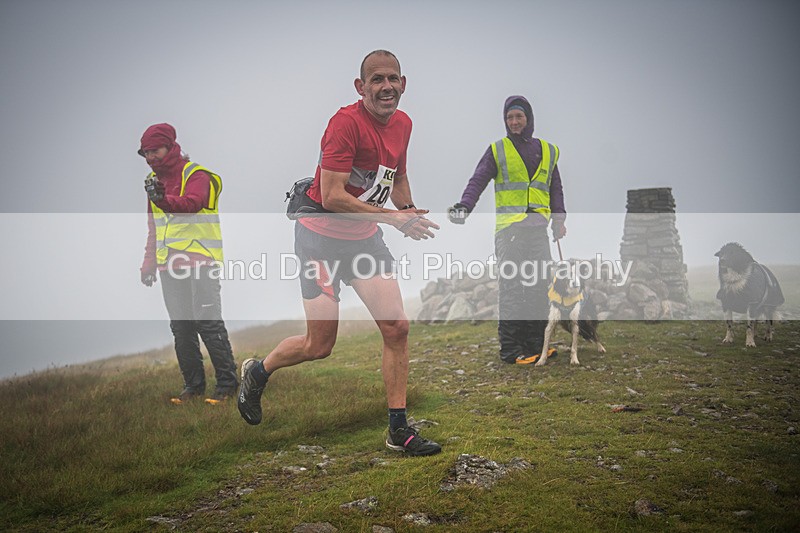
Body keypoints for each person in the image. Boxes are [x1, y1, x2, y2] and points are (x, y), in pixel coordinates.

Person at [237, 50, 442, 456]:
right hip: (320, 240)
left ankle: (398, 431)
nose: (387, 87)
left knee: (397, 327)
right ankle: (258, 372)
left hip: (364, 239)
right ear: (360, 86)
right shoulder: (344, 125)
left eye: (393, 79)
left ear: (404, 83)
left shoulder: (403, 124)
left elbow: (396, 175)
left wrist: (407, 212)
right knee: (319, 345)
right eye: (377, 80)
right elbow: (331, 196)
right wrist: (391, 218)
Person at [448, 96, 567, 365]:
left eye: (519, 117)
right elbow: (477, 180)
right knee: (513, 289)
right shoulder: (497, 150)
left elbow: (555, 188)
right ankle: (512, 350)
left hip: (538, 230)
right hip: (510, 231)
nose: (514, 122)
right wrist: (464, 207)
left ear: (529, 119)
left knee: (538, 288)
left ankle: (537, 344)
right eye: (509, 118)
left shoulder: (548, 150)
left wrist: (559, 221)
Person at [139, 123, 238, 404]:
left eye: (154, 150)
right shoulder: (152, 181)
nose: (150, 157)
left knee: (208, 323)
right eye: (145, 153)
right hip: (168, 265)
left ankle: (228, 387)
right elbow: (154, 225)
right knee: (181, 327)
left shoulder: (197, 175)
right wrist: (148, 263)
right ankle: (193, 389)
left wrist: (164, 199)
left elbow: (192, 203)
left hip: (201, 260)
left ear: (170, 147)